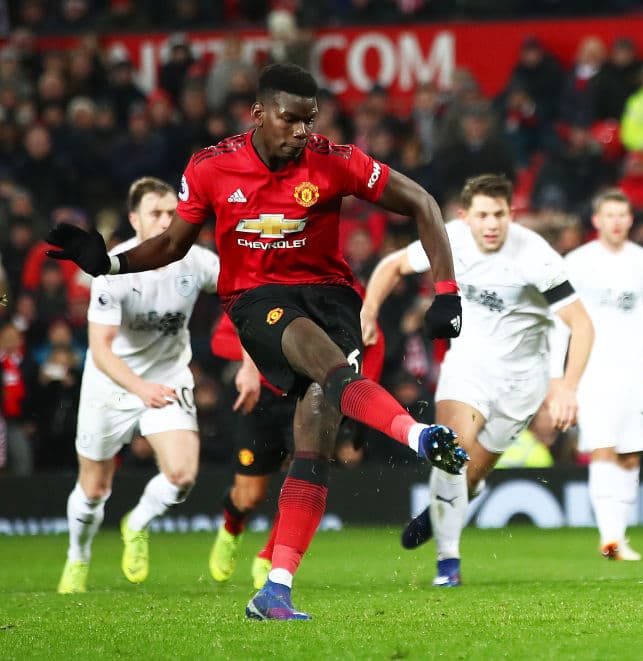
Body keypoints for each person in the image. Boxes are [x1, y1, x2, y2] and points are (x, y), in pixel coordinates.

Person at [46, 63, 468, 620]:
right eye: (290, 119)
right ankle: (417, 435)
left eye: (309, 120)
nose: (301, 131)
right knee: (327, 366)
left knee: (316, 435)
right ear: (259, 114)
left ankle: (276, 589)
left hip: (331, 296)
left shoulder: (335, 160)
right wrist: (111, 264)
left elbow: (424, 203)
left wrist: (447, 291)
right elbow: (173, 243)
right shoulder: (212, 167)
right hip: (255, 299)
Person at [360, 174, 594, 587]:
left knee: (470, 474)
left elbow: (582, 324)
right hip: (468, 366)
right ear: (464, 216)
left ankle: (446, 506)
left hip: (523, 382)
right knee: (450, 451)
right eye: (483, 215)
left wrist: (566, 386)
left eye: (499, 215)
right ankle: (448, 563)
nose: (491, 224)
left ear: (510, 214)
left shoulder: (535, 256)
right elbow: (392, 265)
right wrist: (368, 310)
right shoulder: (448, 238)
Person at [56, 176, 219, 595]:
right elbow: (101, 349)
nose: (166, 221)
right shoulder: (111, 270)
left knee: (182, 477)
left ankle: (137, 522)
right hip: (110, 381)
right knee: (94, 487)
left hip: (167, 375)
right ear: (135, 219)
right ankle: (78, 556)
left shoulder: (197, 261)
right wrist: (140, 388)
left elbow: (243, 292)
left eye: (172, 213)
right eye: (155, 213)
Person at [207, 310, 385, 589]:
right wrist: (268, 352)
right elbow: (220, 340)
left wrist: (363, 399)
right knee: (249, 496)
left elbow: (373, 342)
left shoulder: (341, 295)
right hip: (263, 398)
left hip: (310, 396)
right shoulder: (264, 293)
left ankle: (269, 557)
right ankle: (232, 526)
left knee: (302, 476)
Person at [556, 189, 643, 560]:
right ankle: (609, 538)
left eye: (622, 215)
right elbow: (559, 321)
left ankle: (618, 537)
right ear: (597, 220)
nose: (616, 222)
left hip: (636, 372)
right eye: (609, 215)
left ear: (630, 220)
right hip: (593, 370)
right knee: (603, 448)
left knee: (631, 454)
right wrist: (557, 376)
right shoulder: (576, 262)